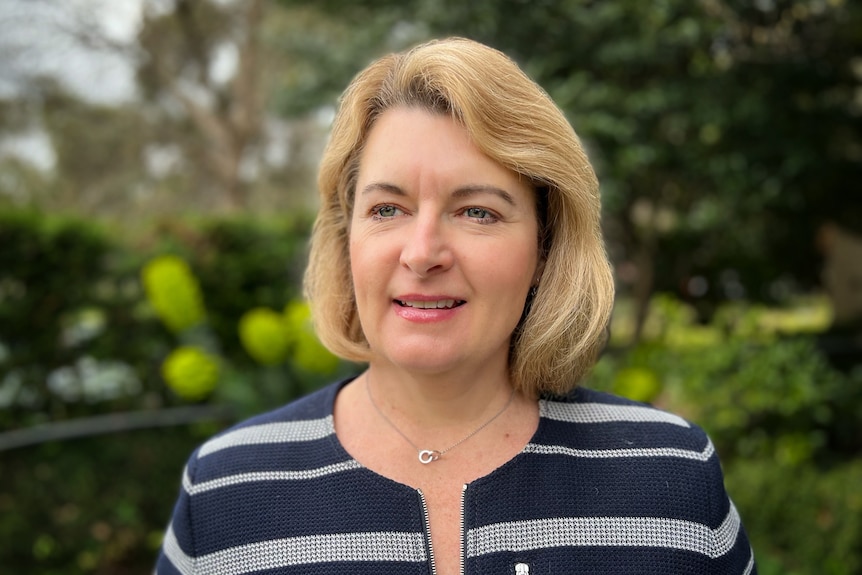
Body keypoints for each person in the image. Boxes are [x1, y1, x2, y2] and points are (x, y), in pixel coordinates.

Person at [156, 37, 756, 574]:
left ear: (546, 246)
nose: (422, 254)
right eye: (387, 209)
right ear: (347, 238)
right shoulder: (226, 488)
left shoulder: (670, 478)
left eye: (478, 212)